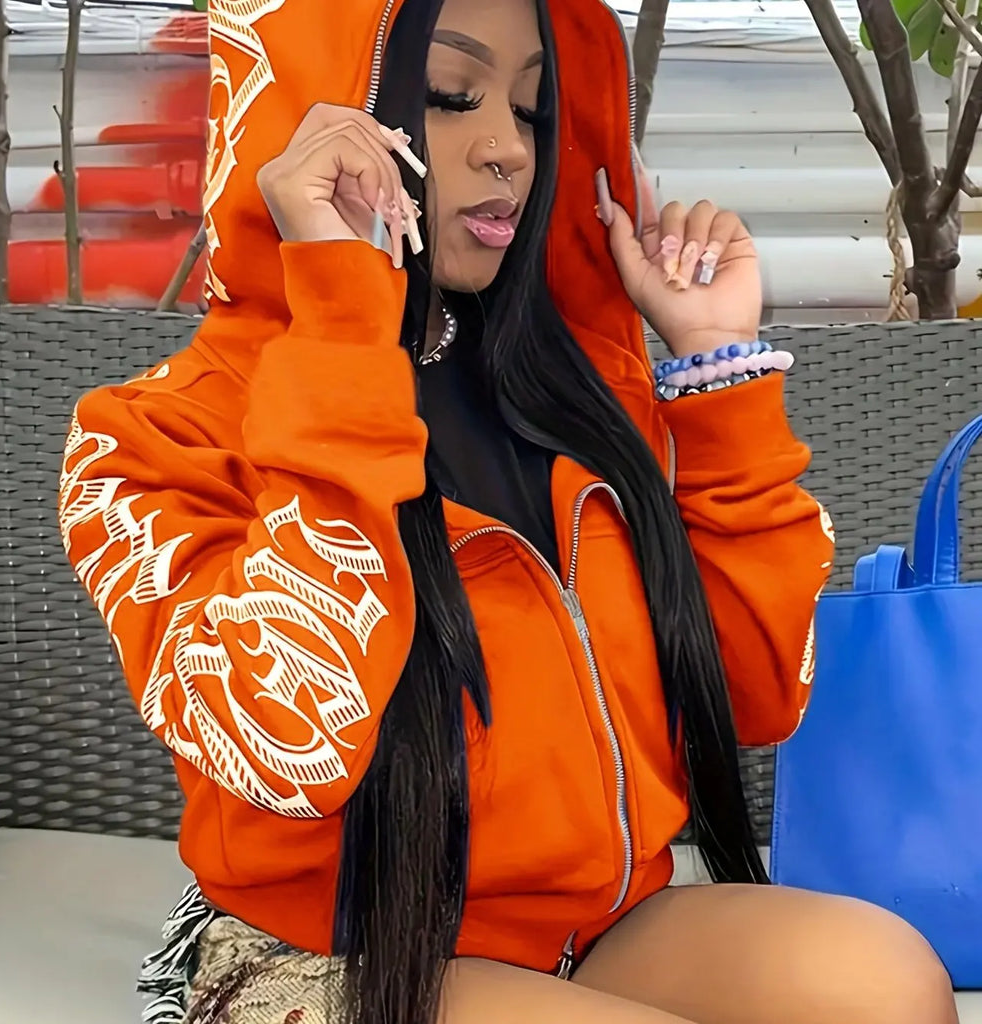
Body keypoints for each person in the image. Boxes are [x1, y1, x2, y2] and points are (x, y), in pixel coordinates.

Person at [57, 0, 959, 1022]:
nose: (507, 150)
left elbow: (754, 696)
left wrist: (715, 371)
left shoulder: (574, 395)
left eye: (531, 109)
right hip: (331, 955)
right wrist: (343, 318)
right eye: (451, 96)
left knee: (889, 986)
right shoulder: (149, 436)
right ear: (317, 117)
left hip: (592, 931)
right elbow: (287, 741)